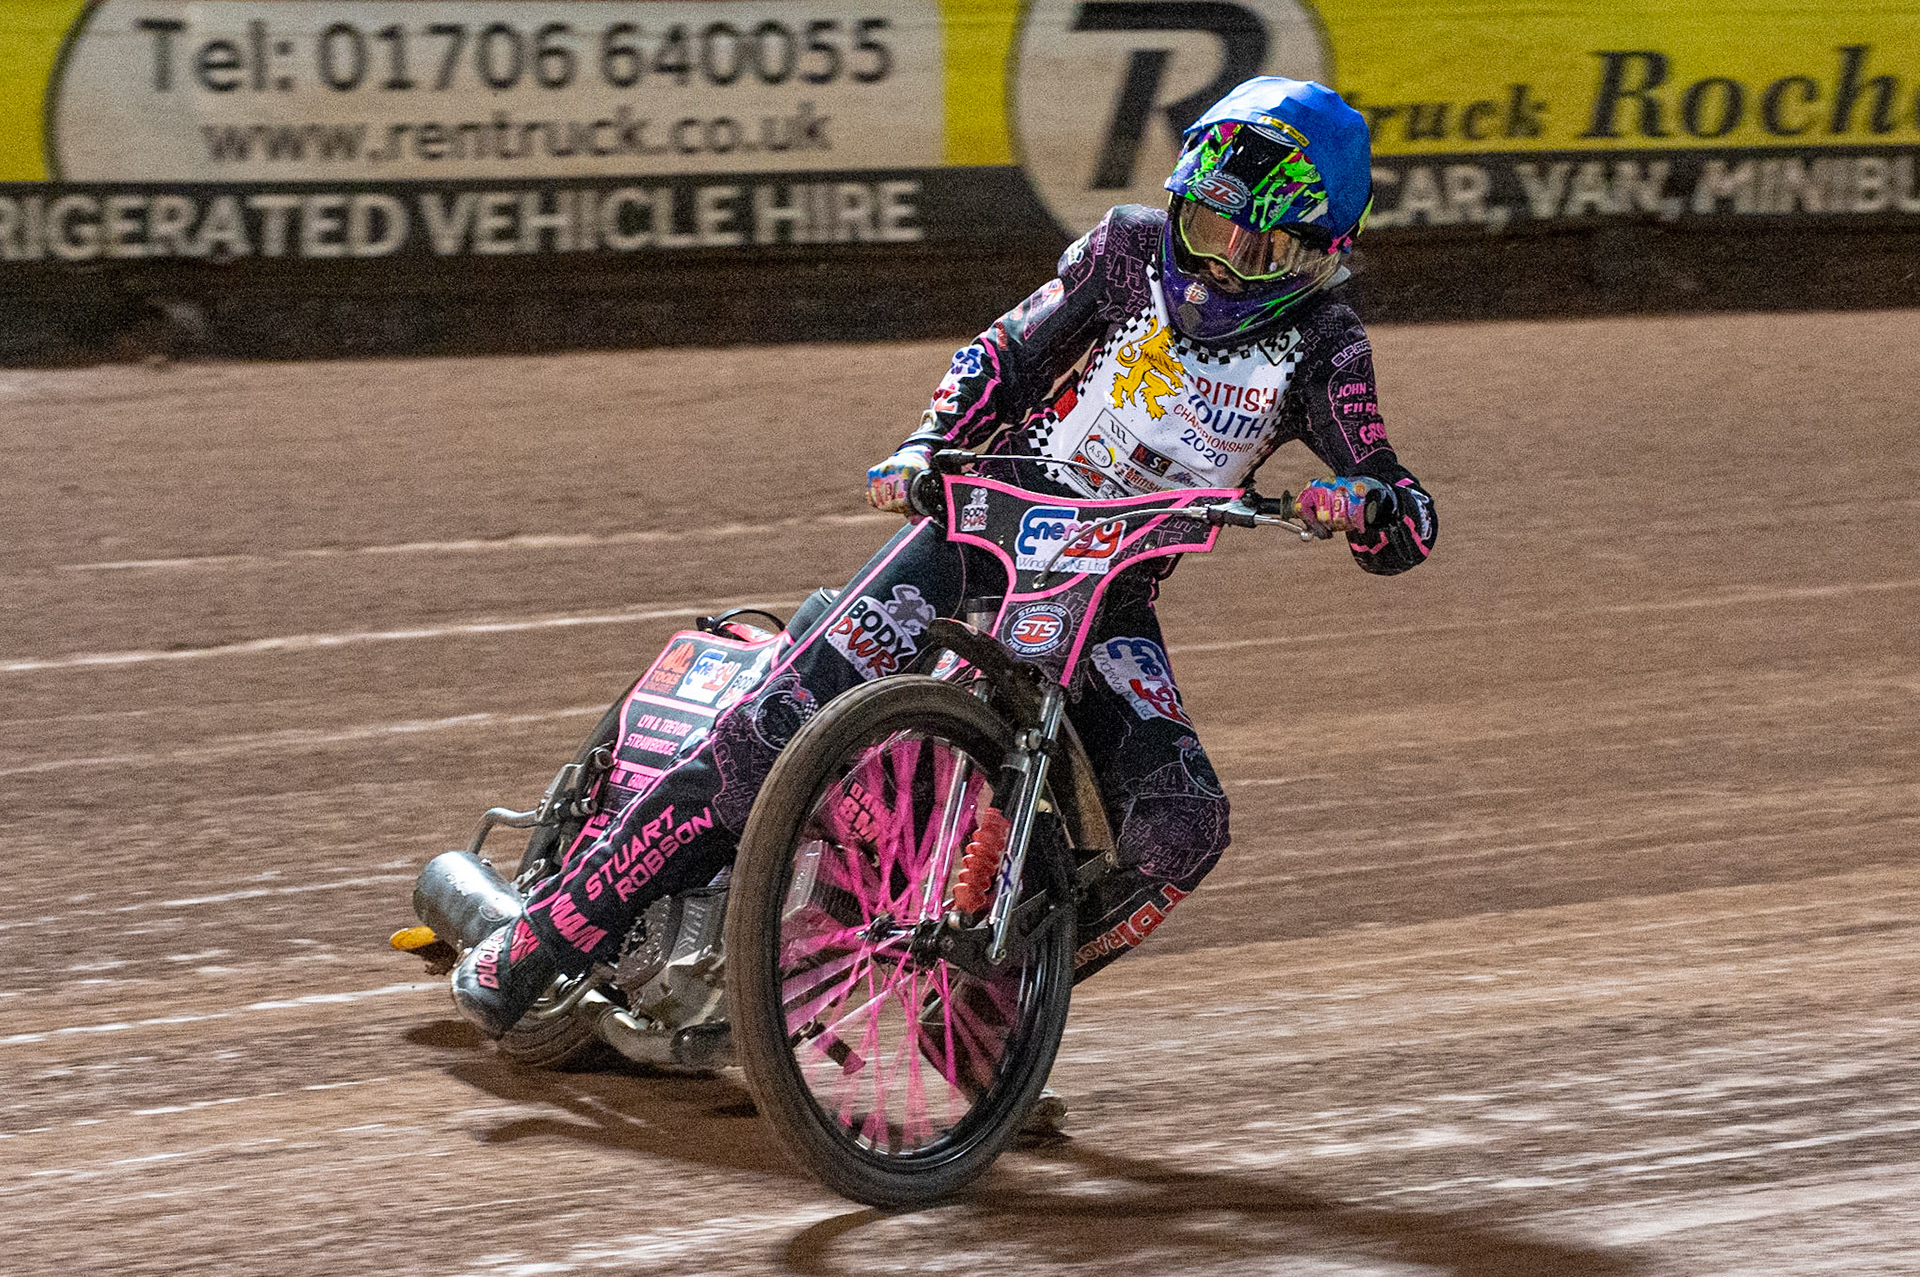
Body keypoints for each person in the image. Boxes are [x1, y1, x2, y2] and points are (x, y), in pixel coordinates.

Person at [450, 77, 1438, 1058]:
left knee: (1181, 825)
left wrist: (1373, 508)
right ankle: (542, 937)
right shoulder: (1128, 247)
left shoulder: (1325, 345)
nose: (1217, 265)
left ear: (1315, 252)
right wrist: (930, 443)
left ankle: (979, 1007)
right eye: (1204, 227)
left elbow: (1397, 496)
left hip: (1111, 590)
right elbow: (1005, 352)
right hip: (981, 530)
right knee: (767, 734)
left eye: (1249, 246)